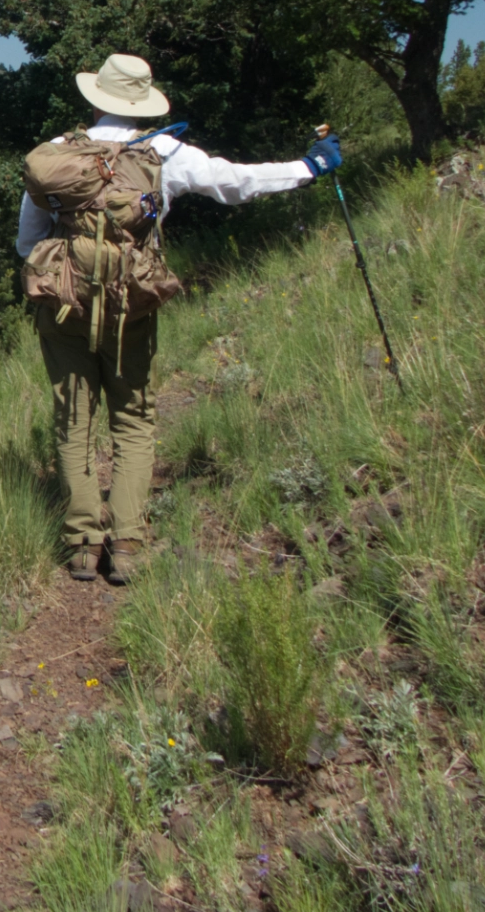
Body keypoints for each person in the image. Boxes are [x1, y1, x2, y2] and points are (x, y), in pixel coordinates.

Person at [17, 53, 341, 585]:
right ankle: (127, 544)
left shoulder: (56, 155)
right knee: (133, 418)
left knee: (73, 421)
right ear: (143, 102)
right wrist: (309, 167)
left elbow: (26, 242)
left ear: (95, 98)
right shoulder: (164, 151)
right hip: (132, 303)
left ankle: (80, 544)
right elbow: (235, 183)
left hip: (65, 304)